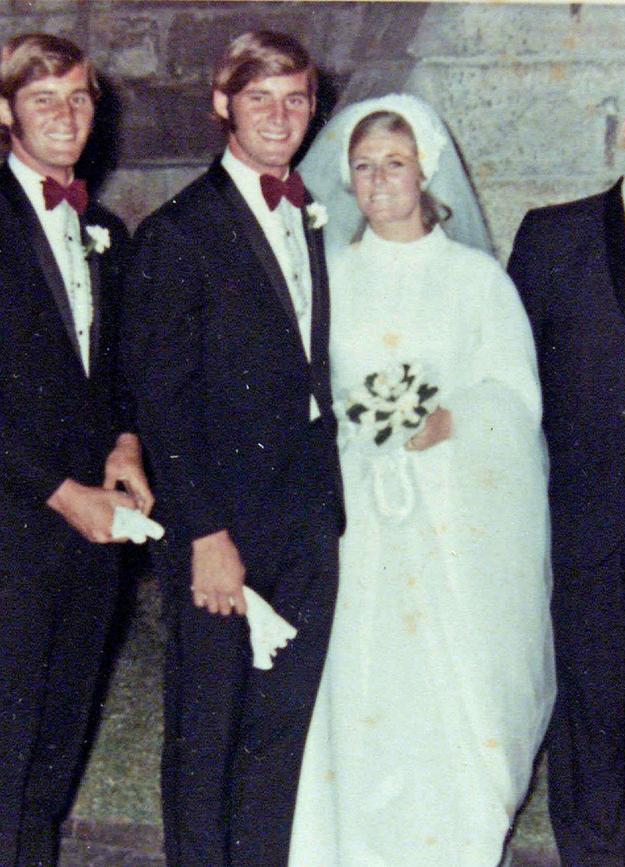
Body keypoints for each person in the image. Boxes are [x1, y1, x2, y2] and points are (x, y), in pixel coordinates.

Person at [290, 93, 555, 866]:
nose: (378, 181)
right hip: (355, 519)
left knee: (451, 687)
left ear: (425, 171)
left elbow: (515, 394)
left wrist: (450, 422)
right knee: (360, 683)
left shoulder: (476, 280)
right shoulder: (328, 276)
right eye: (364, 167)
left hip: (451, 519)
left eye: (395, 164)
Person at [121, 30, 343, 866]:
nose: (280, 117)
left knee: (277, 737)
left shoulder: (313, 216)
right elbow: (163, 404)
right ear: (222, 106)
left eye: (295, 99)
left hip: (308, 522)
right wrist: (206, 536)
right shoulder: (180, 233)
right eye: (260, 99)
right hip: (223, 535)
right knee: (206, 737)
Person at [0, 32, 153, 867]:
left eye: (80, 97)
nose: (67, 115)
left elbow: (114, 372)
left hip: (87, 546)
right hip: (12, 529)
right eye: (43, 98)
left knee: (54, 755)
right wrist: (61, 489)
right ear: (4, 112)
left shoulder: (106, 230)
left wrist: (125, 443)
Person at [508, 80, 625, 866]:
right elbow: (509, 379)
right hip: (585, 517)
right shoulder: (553, 236)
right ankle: (592, 852)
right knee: (590, 701)